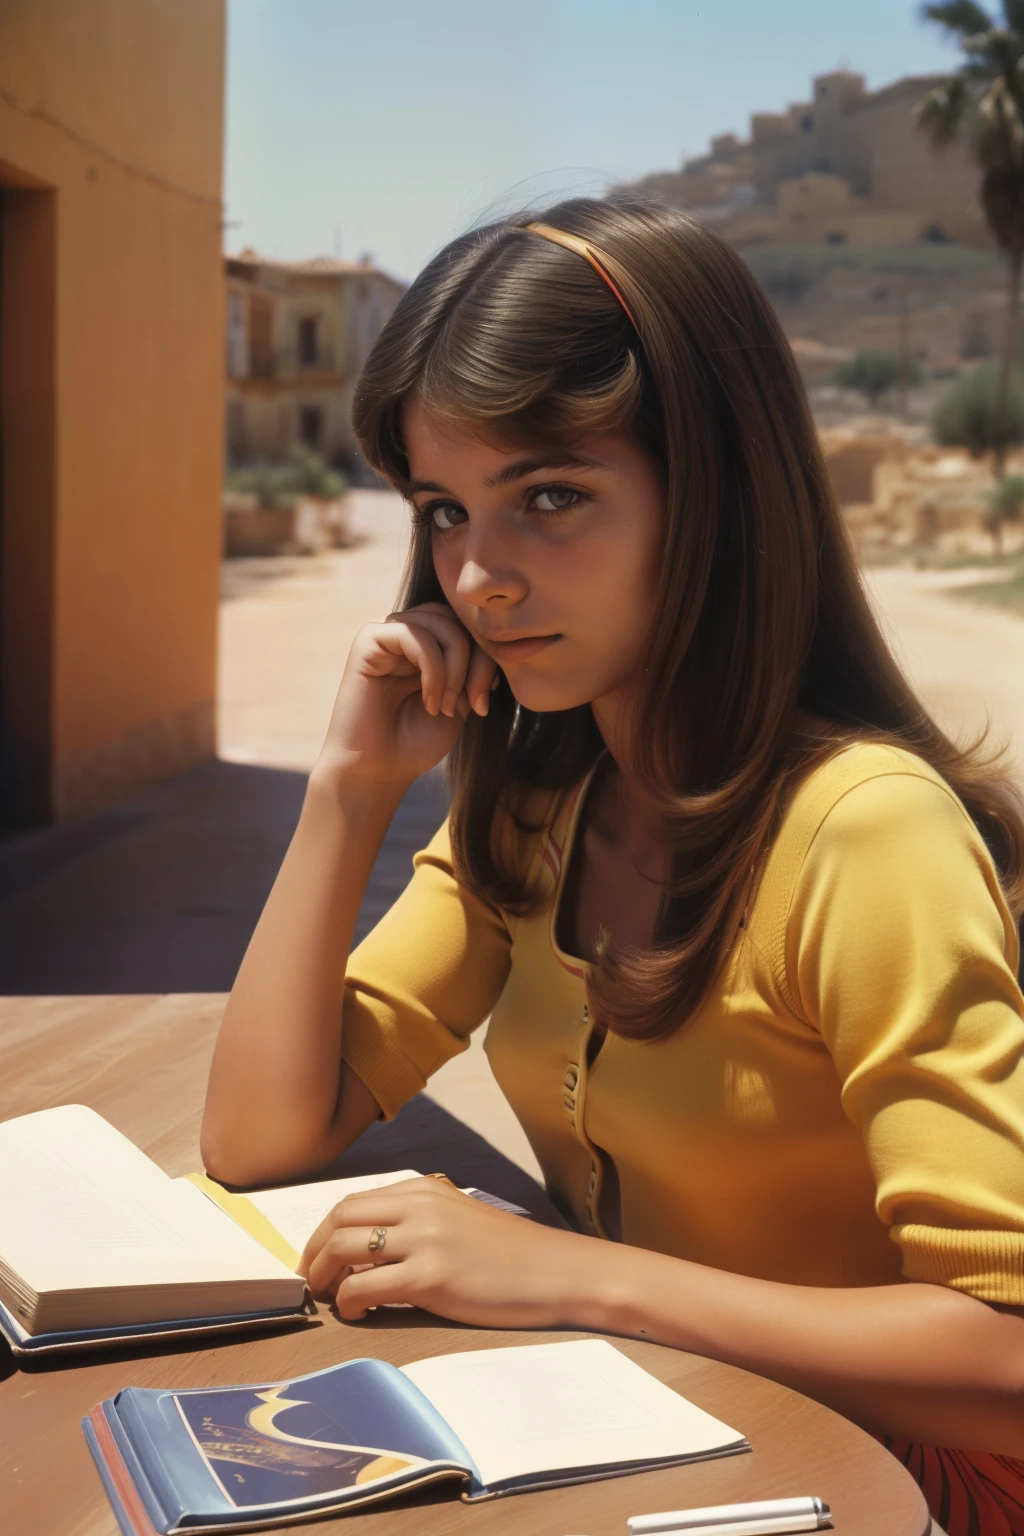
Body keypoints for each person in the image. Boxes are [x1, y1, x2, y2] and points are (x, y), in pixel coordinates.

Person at [201, 199, 1024, 1535]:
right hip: (668, 1447)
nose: (477, 579)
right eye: (445, 508)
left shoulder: (864, 831)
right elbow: (256, 1133)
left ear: (714, 489)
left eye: (551, 497)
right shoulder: (537, 812)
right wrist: (347, 796)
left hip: (902, 1483)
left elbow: (1008, 1367)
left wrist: (581, 1276)